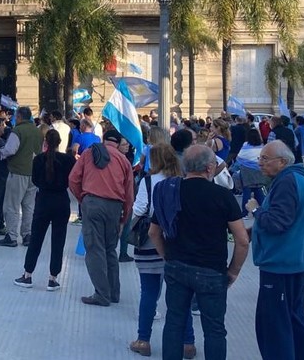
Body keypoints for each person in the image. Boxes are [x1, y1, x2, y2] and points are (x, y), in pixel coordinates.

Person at [148, 145, 249, 360]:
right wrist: (234, 270)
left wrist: (167, 256)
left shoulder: (170, 191)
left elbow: (153, 232)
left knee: (174, 322)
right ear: (210, 167)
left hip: (177, 266)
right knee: (214, 329)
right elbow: (242, 240)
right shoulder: (223, 196)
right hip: (212, 270)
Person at [247, 140, 304, 360]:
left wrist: (256, 210)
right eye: (260, 158)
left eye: (265, 159)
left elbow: (278, 223)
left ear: (283, 161)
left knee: (275, 328)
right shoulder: (299, 179)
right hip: (297, 262)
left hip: (281, 265)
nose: (260, 163)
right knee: (295, 320)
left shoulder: (287, 182)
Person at [129, 144, 196, 358]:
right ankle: (188, 343)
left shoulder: (148, 181)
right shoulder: (184, 181)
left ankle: (143, 339)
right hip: (178, 242)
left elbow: (140, 209)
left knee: (149, 292)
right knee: (181, 294)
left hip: (150, 241)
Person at [68, 130, 134, 306]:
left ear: (104, 139)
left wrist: (83, 199)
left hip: (92, 203)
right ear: (118, 143)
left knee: (95, 249)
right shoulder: (123, 161)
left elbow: (73, 179)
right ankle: (114, 293)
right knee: (110, 249)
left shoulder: (90, 153)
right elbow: (129, 193)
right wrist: (124, 218)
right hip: (115, 207)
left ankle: (101, 294)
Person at [13, 129, 74, 291]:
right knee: (58, 240)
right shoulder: (68, 160)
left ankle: (28, 274)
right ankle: (53, 278)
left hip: (44, 201)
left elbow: (35, 180)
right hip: (62, 201)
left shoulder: (39, 159)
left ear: (45, 142)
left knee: (36, 239)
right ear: (60, 142)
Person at [0, 106, 42, 247]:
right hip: (33, 172)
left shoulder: (18, 131)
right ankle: (27, 235)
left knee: (12, 205)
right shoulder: (38, 131)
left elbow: (10, 149)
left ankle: (11, 236)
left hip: (17, 172)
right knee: (29, 206)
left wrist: (1, 151)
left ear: (19, 117)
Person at [235, 129, 268, 217]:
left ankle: (245, 213)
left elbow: (239, 157)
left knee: (247, 192)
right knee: (259, 191)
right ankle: (260, 211)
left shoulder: (245, 145)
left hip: (247, 172)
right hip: (259, 171)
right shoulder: (262, 147)